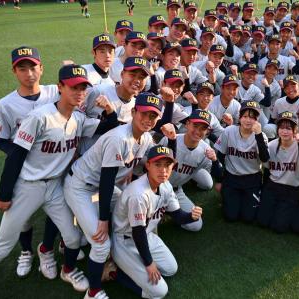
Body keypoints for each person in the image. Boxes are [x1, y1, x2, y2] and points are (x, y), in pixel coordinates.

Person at [0, 64, 119, 299]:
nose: (79, 92)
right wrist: (4, 194)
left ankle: (68, 269)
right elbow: (16, 155)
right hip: (28, 186)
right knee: (2, 246)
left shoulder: (79, 118)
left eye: (83, 88)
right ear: (60, 88)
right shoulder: (39, 117)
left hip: (55, 187)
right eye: (73, 87)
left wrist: (108, 108)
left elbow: (109, 125)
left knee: (72, 238)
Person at [64, 92, 176, 299]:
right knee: (101, 242)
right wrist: (103, 220)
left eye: (153, 116)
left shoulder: (145, 138)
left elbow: (159, 161)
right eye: (144, 114)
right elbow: (107, 181)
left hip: (100, 186)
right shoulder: (119, 137)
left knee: (125, 209)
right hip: (81, 185)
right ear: (134, 112)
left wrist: (172, 139)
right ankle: (93, 291)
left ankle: (121, 254)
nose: (148, 120)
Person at [0, 46, 61, 279]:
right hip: (24, 171)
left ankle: (46, 250)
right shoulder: (5, 104)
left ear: (42, 68)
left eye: (33, 67)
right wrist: (22, 155)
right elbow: (1, 141)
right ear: (14, 71)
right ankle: (27, 251)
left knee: (55, 211)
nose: (29, 73)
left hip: (54, 168)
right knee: (24, 217)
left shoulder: (55, 92)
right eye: (22, 68)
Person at [112, 145, 203, 298]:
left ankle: (134, 264)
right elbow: (137, 232)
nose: (163, 170)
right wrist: (149, 263)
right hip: (125, 241)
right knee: (159, 292)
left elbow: (178, 215)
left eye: (167, 165)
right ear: (148, 165)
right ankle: (113, 272)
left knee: (171, 269)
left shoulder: (166, 186)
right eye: (157, 164)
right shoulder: (139, 194)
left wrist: (191, 216)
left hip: (146, 235)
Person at [159, 109, 222, 231]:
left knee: (195, 224)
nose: (198, 131)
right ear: (187, 124)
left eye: (203, 128)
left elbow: (218, 176)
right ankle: (165, 208)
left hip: (176, 190)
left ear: (207, 131)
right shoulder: (170, 139)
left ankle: (170, 209)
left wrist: (215, 161)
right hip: (156, 188)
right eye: (195, 125)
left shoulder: (206, 150)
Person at [256, 111, 299, 233]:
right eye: (281, 127)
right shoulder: (272, 145)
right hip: (273, 187)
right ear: (277, 130)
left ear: (295, 130)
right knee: (262, 222)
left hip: (293, 189)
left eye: (288, 128)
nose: (284, 131)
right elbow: (266, 167)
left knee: (279, 227)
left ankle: (291, 210)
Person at [214, 100, 270, 222]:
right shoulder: (229, 131)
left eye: (252, 117)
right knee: (230, 216)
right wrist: (220, 180)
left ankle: (242, 198)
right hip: (232, 178)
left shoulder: (261, 136)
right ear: (239, 118)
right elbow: (220, 156)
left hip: (252, 179)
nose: (248, 120)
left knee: (248, 217)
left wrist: (259, 134)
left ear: (257, 120)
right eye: (245, 116)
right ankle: (229, 195)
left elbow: (265, 159)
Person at [266, 75, 299, 141]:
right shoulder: (279, 102)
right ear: (284, 90)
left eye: (293, 85)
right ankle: (273, 147)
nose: (290, 89)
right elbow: (272, 119)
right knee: (268, 128)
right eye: (287, 87)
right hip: (283, 134)